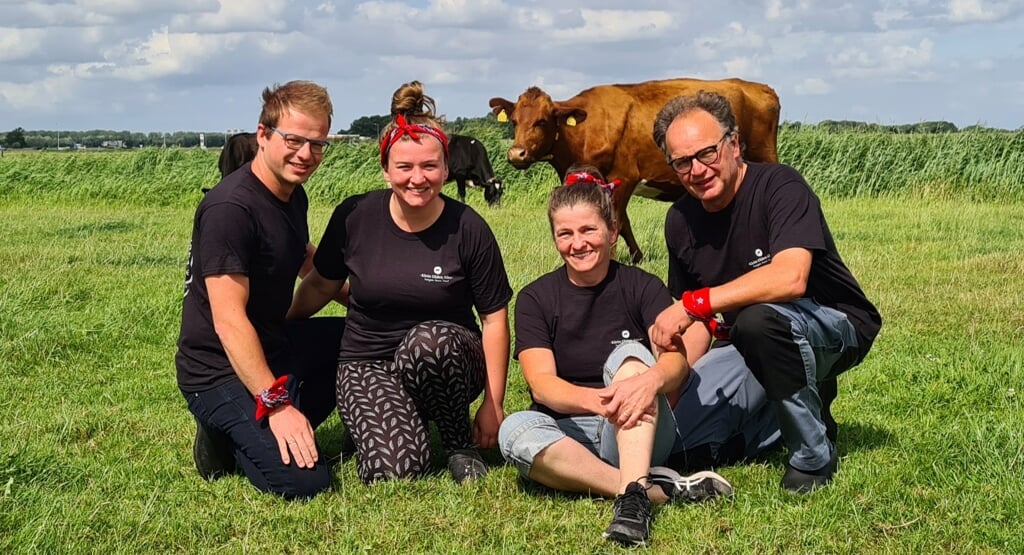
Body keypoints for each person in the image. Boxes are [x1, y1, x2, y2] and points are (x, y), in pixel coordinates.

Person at [649, 90, 883, 494]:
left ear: (734, 144)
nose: (697, 169)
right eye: (682, 162)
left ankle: (813, 455)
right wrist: (676, 382)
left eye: (707, 153)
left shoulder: (781, 185)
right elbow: (701, 322)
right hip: (749, 338)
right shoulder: (680, 222)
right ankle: (780, 418)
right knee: (676, 446)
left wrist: (695, 304)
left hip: (832, 324)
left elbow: (789, 279)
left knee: (761, 319)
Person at [288, 81, 512, 485]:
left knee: (429, 342)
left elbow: (495, 319)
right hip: (368, 362)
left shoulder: (468, 227)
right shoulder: (355, 216)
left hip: (449, 358)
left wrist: (493, 404)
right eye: (404, 167)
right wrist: (285, 321)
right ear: (386, 168)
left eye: (429, 166)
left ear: (446, 168)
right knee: (395, 471)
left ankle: (458, 442)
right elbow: (322, 283)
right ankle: (394, 420)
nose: (417, 179)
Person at [498, 169, 734, 547]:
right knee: (513, 431)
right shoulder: (535, 299)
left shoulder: (641, 286)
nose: (578, 243)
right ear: (555, 238)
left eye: (588, 230)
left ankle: (632, 492)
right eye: (565, 233)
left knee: (627, 354)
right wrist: (601, 402)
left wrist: (647, 383)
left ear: (612, 231)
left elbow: (675, 362)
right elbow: (542, 385)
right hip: (570, 436)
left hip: (639, 425)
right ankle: (647, 491)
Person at [176, 80, 344, 500]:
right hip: (217, 368)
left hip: (273, 341)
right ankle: (224, 437)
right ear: (263, 135)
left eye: (317, 144)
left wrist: (369, 300)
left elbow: (304, 256)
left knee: (365, 338)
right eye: (294, 140)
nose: (306, 154)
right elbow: (230, 322)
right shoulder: (230, 209)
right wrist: (278, 406)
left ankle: (260, 427)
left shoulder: (292, 195)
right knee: (306, 484)